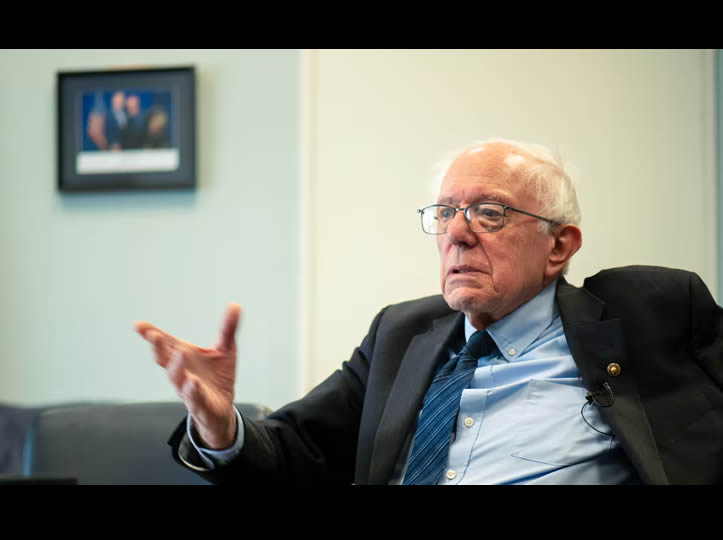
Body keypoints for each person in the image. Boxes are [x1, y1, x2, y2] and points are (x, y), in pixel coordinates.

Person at [135, 139, 723, 484]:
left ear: (559, 247)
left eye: (490, 212)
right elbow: (294, 452)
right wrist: (219, 426)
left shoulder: (648, 311)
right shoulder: (401, 333)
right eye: (444, 213)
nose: (457, 234)